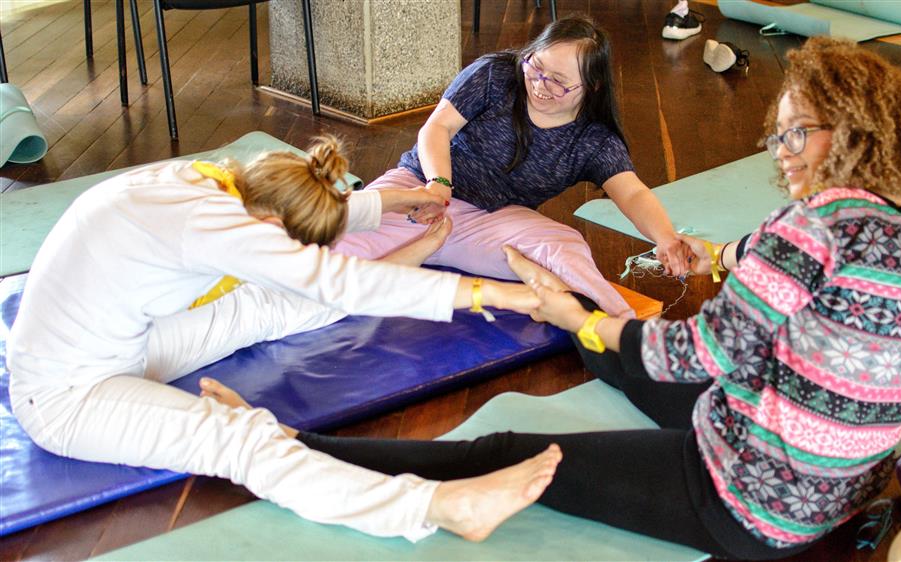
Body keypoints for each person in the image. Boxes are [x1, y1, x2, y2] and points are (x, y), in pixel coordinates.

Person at [199, 38, 901, 559]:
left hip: (758, 503)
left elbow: (694, 351)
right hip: (838, 481)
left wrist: (574, 314)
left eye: (794, 136)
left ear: (848, 133)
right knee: (617, 358)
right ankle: (581, 330)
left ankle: (299, 447)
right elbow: (758, 261)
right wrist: (713, 254)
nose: (779, 153)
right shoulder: (897, 226)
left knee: (506, 453)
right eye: (776, 135)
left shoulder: (808, 227)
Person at [6, 135, 564, 543]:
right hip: (67, 397)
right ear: (273, 228)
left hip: (122, 345)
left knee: (257, 308)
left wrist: (396, 201)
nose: (294, 253)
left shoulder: (214, 184)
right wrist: (494, 295)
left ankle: (405, 261)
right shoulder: (217, 227)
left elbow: (301, 211)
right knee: (239, 436)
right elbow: (338, 282)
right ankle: (437, 505)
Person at [332, 15, 687, 318]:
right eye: (536, 67)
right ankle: (420, 249)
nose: (540, 85)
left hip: (491, 220)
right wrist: (438, 185)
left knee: (564, 245)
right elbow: (436, 128)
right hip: (420, 191)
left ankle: (621, 321)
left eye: (559, 82)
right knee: (332, 248)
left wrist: (665, 238)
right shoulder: (496, 74)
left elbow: (633, 192)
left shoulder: (594, 140)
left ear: (591, 86)